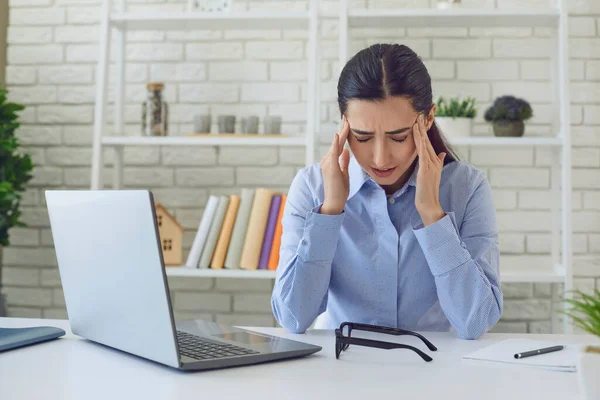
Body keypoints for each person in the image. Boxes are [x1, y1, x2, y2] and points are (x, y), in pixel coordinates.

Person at [271, 43, 503, 340]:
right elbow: (292, 317)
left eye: (398, 137)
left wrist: (433, 215)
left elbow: (475, 322)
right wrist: (330, 212)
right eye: (362, 137)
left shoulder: (467, 188)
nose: (380, 159)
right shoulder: (311, 187)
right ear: (343, 123)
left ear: (428, 119)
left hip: (434, 371)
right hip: (341, 369)